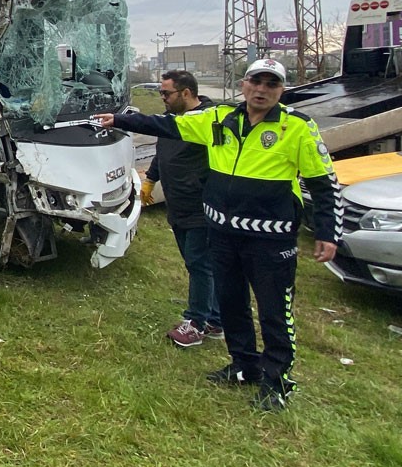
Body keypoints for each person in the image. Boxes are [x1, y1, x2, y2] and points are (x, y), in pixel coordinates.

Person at [94, 58, 340, 412]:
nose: (262, 90)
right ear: (245, 84)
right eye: (256, 81)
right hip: (222, 233)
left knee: (274, 312)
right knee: (231, 304)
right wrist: (118, 119)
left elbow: (325, 184)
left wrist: (328, 232)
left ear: (280, 90)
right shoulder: (218, 119)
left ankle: (277, 381)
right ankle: (243, 366)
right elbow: (167, 125)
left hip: (270, 240)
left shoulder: (297, 127)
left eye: (271, 84)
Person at [144, 70, 223, 348]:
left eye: (166, 93)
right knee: (200, 264)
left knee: (199, 264)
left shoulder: (208, 121)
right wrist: (150, 180)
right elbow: (161, 152)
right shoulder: (173, 121)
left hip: (200, 207)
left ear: (186, 93)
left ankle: (196, 323)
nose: (162, 98)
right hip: (178, 207)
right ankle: (215, 319)